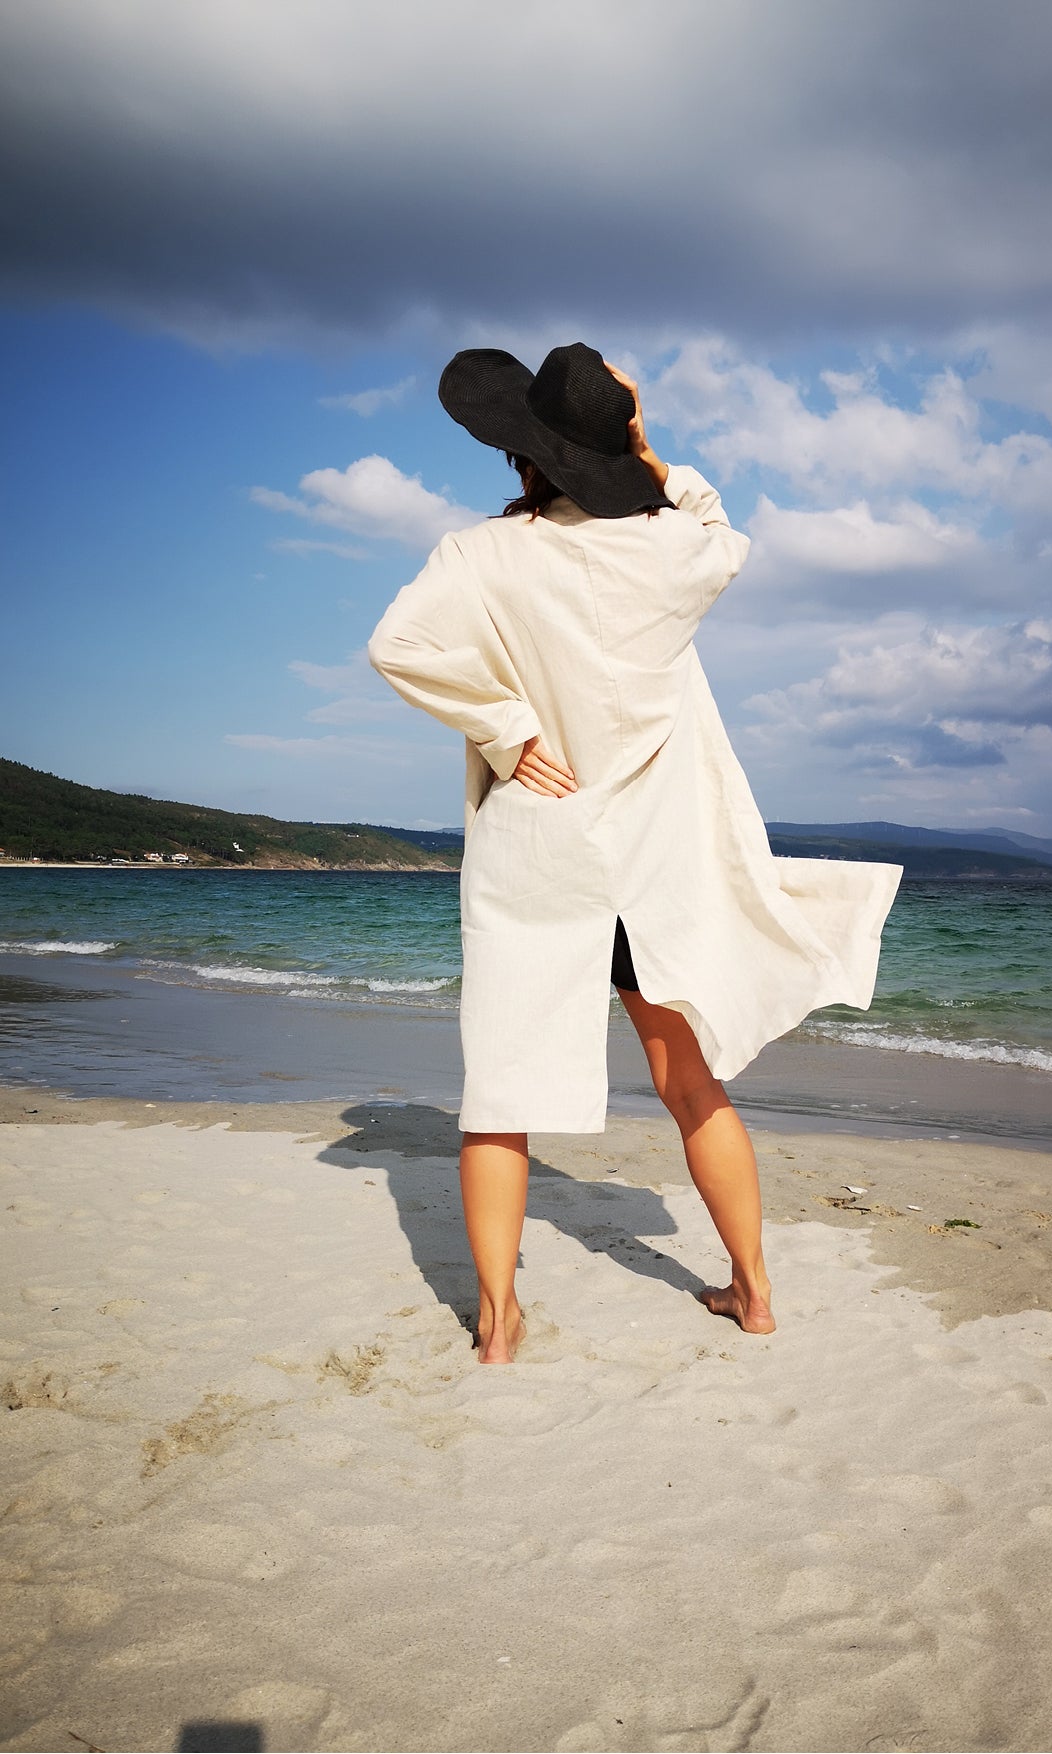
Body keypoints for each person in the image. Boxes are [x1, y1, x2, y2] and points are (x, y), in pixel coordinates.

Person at [369, 343, 901, 1363]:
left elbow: (397, 645)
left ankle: (498, 1324)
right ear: (614, 450)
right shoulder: (672, 552)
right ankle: (753, 1292)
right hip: (650, 860)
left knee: (502, 1094)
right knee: (687, 1080)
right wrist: (651, 450)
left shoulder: (480, 555)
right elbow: (720, 527)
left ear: (524, 452)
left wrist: (507, 731)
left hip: (540, 853)